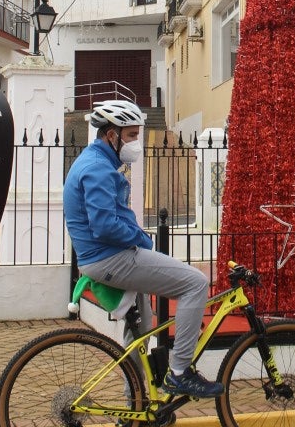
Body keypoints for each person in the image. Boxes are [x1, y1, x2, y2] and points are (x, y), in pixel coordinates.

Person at [62, 99, 223, 399]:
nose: (136, 142)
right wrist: (142, 240)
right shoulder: (97, 168)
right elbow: (105, 225)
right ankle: (180, 372)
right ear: (112, 135)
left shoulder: (96, 162)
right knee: (195, 284)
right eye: (132, 135)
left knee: (139, 330)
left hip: (102, 257)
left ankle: (135, 403)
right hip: (111, 257)